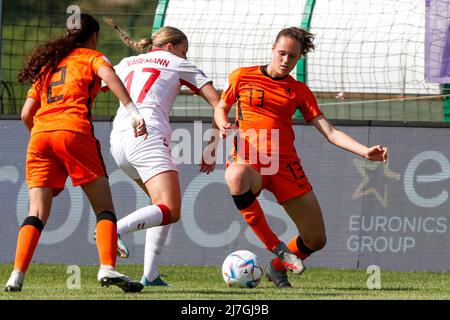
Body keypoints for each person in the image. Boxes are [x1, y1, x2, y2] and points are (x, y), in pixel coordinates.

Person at [214, 27, 389, 288]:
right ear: (273, 50)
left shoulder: (299, 91)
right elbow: (221, 107)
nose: (285, 60)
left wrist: (364, 151)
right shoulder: (242, 76)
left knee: (316, 239)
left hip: (285, 166)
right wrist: (222, 124)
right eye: (282, 53)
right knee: (235, 175)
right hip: (250, 161)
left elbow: (329, 132)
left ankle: (276, 268)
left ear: (299, 59)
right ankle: (277, 248)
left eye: (292, 56)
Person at [4, 13, 147, 293]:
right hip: (74, 131)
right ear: (93, 36)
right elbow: (109, 75)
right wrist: (133, 111)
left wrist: (44, 135)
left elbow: (25, 114)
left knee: (36, 212)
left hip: (40, 136)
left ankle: (16, 275)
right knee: (104, 208)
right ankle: (107, 268)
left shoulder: (49, 64)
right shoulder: (92, 57)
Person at [103, 19, 220, 286]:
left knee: (160, 207)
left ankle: (150, 274)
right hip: (147, 136)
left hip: (118, 141)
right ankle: (113, 231)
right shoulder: (179, 63)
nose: (185, 56)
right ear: (170, 46)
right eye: (183, 50)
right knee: (171, 208)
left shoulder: (126, 63)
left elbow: (94, 85)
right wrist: (211, 146)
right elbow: (218, 103)